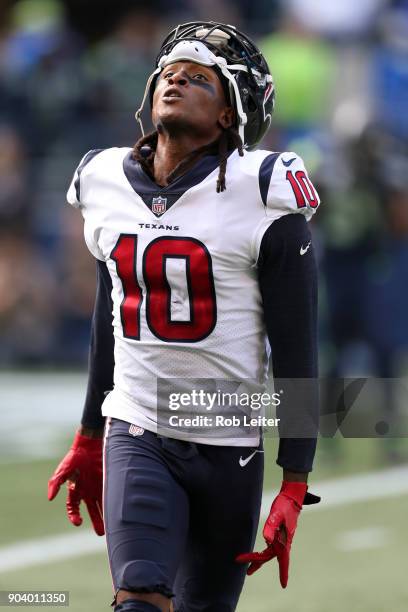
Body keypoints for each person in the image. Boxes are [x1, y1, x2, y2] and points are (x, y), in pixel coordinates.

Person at [48, 21, 321, 612]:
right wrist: (91, 432)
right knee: (139, 598)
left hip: (230, 443)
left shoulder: (261, 190)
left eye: (199, 78)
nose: (176, 79)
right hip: (139, 428)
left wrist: (295, 479)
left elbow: (298, 346)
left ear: (230, 115)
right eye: (170, 73)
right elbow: (109, 314)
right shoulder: (104, 180)